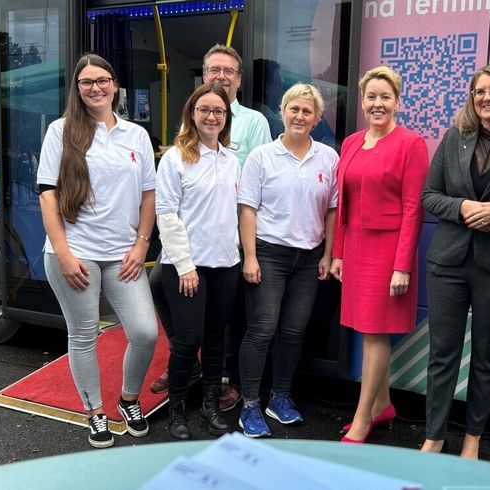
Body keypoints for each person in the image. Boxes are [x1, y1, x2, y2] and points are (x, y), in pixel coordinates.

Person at [37, 54, 158, 449]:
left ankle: (128, 399)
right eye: (87, 82)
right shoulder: (61, 131)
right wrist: (64, 252)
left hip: (123, 254)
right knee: (84, 335)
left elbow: (148, 195)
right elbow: (48, 195)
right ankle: (95, 414)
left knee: (144, 332)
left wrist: (142, 244)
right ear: (77, 88)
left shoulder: (135, 135)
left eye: (102, 80)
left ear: (115, 84)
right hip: (75, 253)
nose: (96, 88)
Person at [420, 63, 490, 459]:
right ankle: (434, 436)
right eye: (479, 91)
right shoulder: (455, 139)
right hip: (448, 264)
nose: (486, 97)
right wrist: (464, 207)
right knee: (443, 355)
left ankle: (472, 439)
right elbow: (429, 196)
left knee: (486, 359)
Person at [148, 45, 271, 413]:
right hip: (188, 250)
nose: (221, 76)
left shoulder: (249, 130)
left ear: (238, 78)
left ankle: (218, 389)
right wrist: (183, 261)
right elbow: (169, 207)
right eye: (214, 69)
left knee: (220, 328)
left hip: (228, 247)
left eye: (229, 71)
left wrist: (246, 249)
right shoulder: (183, 143)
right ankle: (184, 377)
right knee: (178, 317)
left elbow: (259, 183)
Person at [330, 66, 429, 444]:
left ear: (397, 102)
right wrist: (338, 253)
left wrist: (402, 265)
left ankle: (361, 419)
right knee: (365, 331)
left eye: (385, 97)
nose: (377, 103)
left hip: (388, 252)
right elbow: (344, 204)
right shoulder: (351, 142)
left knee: (374, 336)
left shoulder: (411, 143)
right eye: (371, 97)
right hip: (355, 247)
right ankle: (382, 404)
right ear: (362, 101)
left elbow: (412, 209)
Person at [236, 83, 339, 437]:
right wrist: (249, 256)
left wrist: (328, 253)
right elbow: (246, 209)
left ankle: (279, 397)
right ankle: (249, 404)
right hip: (268, 253)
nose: (300, 116)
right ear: (283, 112)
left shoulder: (329, 158)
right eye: (294, 109)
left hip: (309, 258)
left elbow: (332, 210)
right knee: (262, 329)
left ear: (317, 118)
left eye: (307, 111)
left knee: (293, 332)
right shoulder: (261, 156)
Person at [154, 83, 241, 440]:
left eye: (219, 111)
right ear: (192, 113)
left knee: (217, 339)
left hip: (226, 263)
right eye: (204, 109)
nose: (211, 116)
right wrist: (186, 265)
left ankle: (209, 408)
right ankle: (177, 413)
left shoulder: (232, 160)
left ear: (226, 117)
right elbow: (166, 214)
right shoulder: (176, 158)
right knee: (188, 341)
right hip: (186, 266)